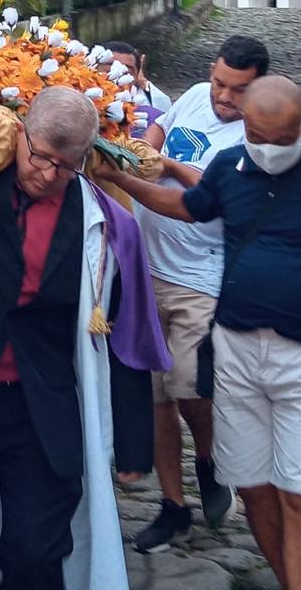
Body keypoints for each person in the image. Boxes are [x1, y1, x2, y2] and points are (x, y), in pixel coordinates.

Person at [0, 87, 170, 590]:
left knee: (36, 552)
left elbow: (127, 333)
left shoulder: (107, 227)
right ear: (19, 134)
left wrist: (136, 446)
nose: (48, 174)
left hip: (43, 409)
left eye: (65, 166)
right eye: (40, 157)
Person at [104, 75, 301, 590]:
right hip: (236, 350)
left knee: (296, 494)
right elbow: (186, 207)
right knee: (254, 487)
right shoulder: (229, 166)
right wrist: (122, 179)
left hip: (296, 356)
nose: (265, 148)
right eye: (257, 136)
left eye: (280, 140)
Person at [123, 34, 269, 551]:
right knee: (156, 395)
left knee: (189, 385)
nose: (224, 98)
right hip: (146, 268)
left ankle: (208, 462)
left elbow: (207, 199)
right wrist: (151, 145)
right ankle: (172, 505)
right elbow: (161, 126)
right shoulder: (192, 97)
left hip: (201, 277)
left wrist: (161, 170)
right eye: (219, 83)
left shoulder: (257, 138)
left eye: (238, 91)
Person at [104, 40, 172, 114]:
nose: (118, 79)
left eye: (126, 73)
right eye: (109, 71)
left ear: (136, 76)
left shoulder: (156, 105)